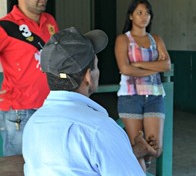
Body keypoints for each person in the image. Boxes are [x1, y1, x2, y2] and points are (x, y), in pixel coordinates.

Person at [23, 26, 156, 175]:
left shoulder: (33, 124)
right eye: (96, 66)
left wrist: (130, 152)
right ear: (88, 77)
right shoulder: (99, 129)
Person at [0, 0, 59, 156]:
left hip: (50, 106)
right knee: (18, 166)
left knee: (48, 162)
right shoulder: (6, 27)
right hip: (19, 111)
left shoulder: (50, 21)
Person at [114, 0, 171, 172]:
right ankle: (141, 170)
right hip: (130, 97)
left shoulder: (156, 39)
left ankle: (144, 165)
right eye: (139, 12)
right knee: (137, 147)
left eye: (147, 13)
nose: (144, 16)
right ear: (131, 16)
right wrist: (154, 68)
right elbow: (125, 69)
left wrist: (137, 65)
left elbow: (166, 65)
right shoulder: (123, 40)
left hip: (154, 96)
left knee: (156, 147)